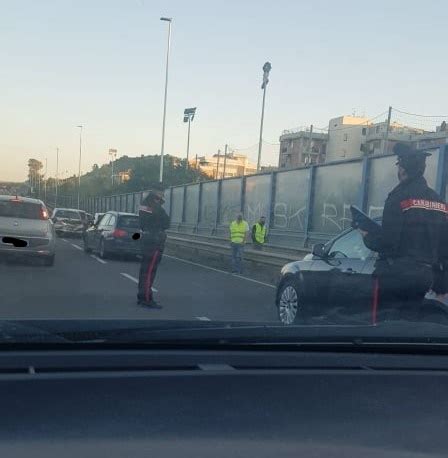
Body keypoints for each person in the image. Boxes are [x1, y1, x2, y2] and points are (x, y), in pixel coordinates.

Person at [361, 142, 447, 321]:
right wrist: (441, 282)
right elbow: (444, 245)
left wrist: (368, 237)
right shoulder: (439, 201)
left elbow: (389, 243)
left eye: (399, 164)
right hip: (425, 277)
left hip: (395, 276)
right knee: (410, 323)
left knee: (384, 324)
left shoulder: (398, 197)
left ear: (403, 169)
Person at [137, 187, 170, 308]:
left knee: (145, 271)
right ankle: (146, 298)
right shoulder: (154, 206)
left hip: (148, 240)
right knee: (149, 272)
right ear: (156, 193)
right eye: (161, 192)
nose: (163, 195)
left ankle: (142, 296)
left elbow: (144, 222)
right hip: (154, 241)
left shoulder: (145, 204)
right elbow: (166, 222)